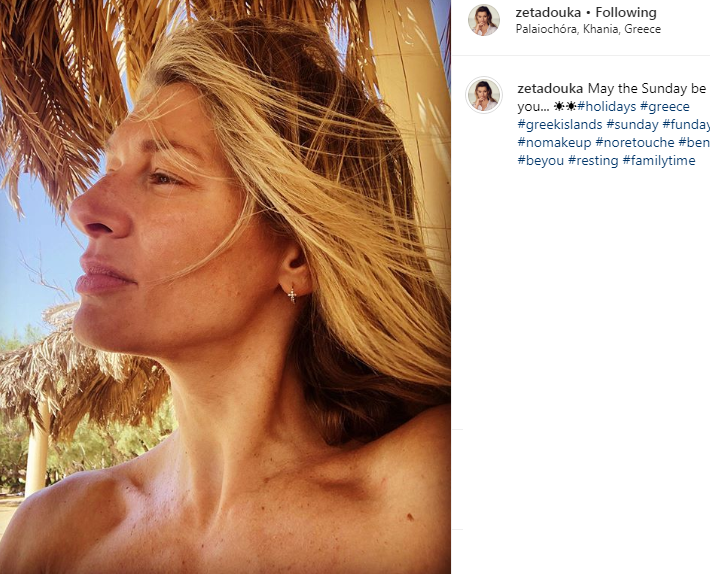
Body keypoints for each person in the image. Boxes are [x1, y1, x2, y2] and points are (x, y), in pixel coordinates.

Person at [0, 18, 450, 574]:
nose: (84, 209)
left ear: (298, 256)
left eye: (163, 176)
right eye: (110, 168)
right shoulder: (50, 534)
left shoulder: (431, 499)